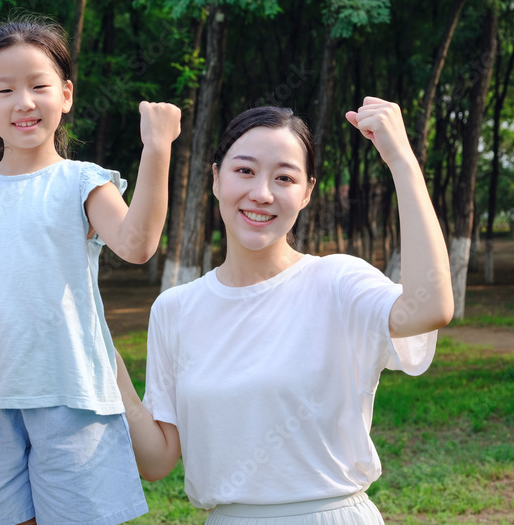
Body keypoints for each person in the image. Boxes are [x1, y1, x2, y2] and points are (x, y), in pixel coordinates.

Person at [115, 98, 454, 525]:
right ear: (216, 178)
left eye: (284, 177)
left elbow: (432, 307)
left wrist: (401, 159)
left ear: (307, 191)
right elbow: (157, 460)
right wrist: (103, 360)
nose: (262, 193)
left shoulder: (337, 283)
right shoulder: (176, 309)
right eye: (244, 171)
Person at [0, 15, 182, 525]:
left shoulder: (81, 182)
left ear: (64, 95)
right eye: (5, 89)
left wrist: (158, 149)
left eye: (39, 86)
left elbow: (137, 244)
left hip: (71, 391)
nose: (24, 102)